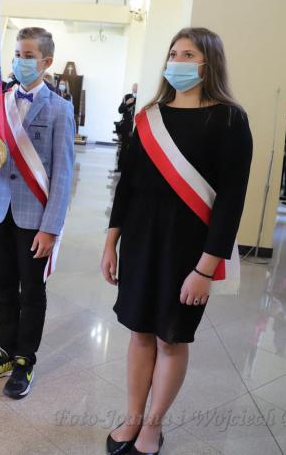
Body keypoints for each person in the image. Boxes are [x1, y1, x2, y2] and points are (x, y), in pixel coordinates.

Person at [101, 28, 252, 455]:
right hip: (140, 241)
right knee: (139, 332)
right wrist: (111, 243)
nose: (177, 61)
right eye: (173, 53)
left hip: (189, 249)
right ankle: (133, 417)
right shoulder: (148, 117)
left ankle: (153, 425)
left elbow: (231, 201)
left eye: (188, 54)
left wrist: (205, 269)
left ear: (208, 63)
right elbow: (126, 185)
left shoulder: (230, 119)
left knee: (170, 338)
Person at [0, 27, 75, 399]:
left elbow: (63, 174)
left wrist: (51, 228)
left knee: (31, 290)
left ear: (47, 61)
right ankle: (5, 350)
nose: (20, 61)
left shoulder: (60, 108)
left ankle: (24, 359)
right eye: (17, 54)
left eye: (28, 55)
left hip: (35, 218)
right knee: (2, 286)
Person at [116, 83, 137, 173]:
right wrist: (127, 103)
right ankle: (121, 167)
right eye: (134, 88)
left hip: (136, 126)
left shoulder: (143, 97)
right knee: (124, 147)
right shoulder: (127, 96)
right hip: (127, 126)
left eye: (137, 89)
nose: (135, 90)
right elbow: (120, 110)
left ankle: (131, 169)